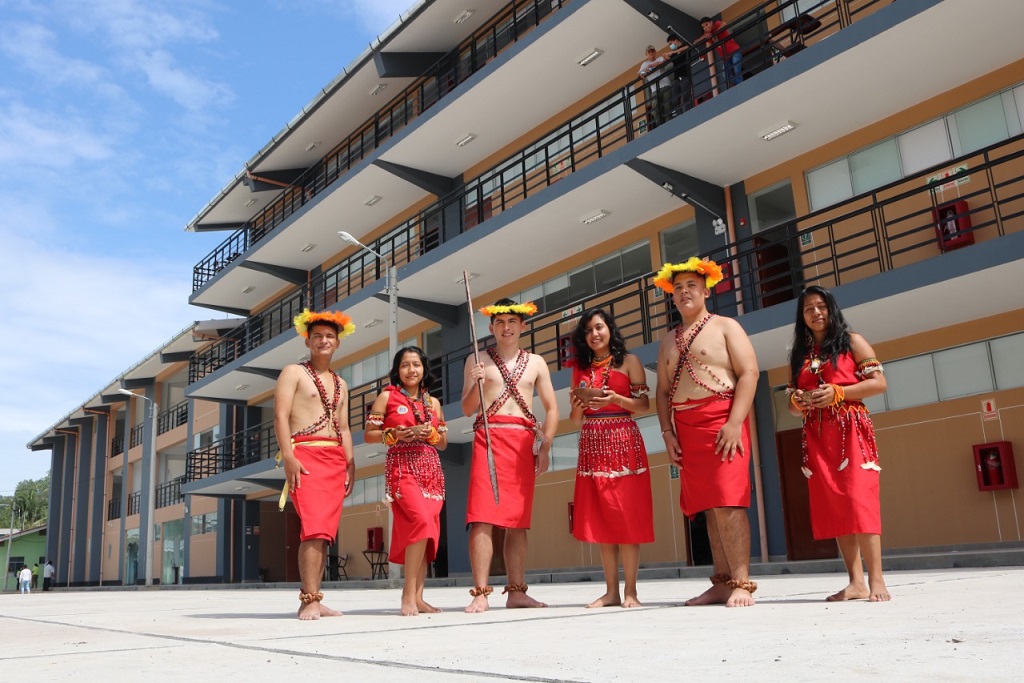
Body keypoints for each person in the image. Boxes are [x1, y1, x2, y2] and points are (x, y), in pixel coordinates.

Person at [654, 257, 759, 607]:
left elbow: (749, 373)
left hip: (722, 421)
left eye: (691, 287)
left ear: (705, 290)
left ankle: (742, 581)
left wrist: (733, 423)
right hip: (686, 429)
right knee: (708, 508)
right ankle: (721, 581)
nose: (684, 293)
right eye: (678, 288)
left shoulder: (726, 326)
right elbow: (663, 392)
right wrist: (667, 434)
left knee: (728, 503)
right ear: (672, 296)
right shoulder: (668, 340)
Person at [787, 286, 891, 602]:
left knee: (860, 500)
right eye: (808, 309)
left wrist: (840, 392)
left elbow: (879, 383)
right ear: (802, 317)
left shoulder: (853, 342)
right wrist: (799, 400)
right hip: (817, 434)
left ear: (831, 309)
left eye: (821, 306)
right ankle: (855, 582)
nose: (816, 313)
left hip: (851, 430)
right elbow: (792, 407)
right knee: (835, 504)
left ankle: (877, 581)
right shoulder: (799, 355)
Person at [461, 298, 558, 612]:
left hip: (521, 442)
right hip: (487, 438)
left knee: (518, 522)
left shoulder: (537, 363)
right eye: (500, 323)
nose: (506, 328)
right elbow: (466, 409)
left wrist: (545, 447)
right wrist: (476, 383)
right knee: (481, 519)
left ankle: (517, 591)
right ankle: (480, 592)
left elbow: (552, 408)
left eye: (512, 322)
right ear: (491, 328)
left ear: (522, 326)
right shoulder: (476, 360)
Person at [568, 308, 654, 608]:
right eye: (589, 330)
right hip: (592, 441)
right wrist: (580, 401)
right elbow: (576, 420)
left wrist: (615, 399)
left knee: (627, 516)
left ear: (610, 329)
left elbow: (644, 405)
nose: (595, 334)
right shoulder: (579, 369)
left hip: (624, 439)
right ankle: (611, 592)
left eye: (600, 327)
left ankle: (631, 591)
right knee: (604, 518)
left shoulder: (629, 361)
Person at [274, 308, 356, 620]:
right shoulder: (292, 372)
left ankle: (316, 597)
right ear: (308, 340)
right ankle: (308, 599)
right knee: (313, 528)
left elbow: (344, 428)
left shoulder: (341, 383)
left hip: (335, 459)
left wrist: (351, 464)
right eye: (318, 336)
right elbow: (280, 415)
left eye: (330, 337)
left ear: (338, 343)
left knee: (325, 534)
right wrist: (289, 456)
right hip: (305, 456)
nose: (324, 341)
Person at [365, 346, 448, 616]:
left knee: (426, 532)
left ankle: (419, 597)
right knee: (421, 522)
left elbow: (444, 442)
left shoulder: (433, 403)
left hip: (430, 469)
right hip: (402, 468)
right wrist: (394, 435)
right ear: (397, 370)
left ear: (424, 368)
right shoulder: (386, 397)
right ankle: (407, 595)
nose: (411, 370)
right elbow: (369, 434)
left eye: (416, 364)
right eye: (405, 365)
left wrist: (429, 434)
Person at [697, 16, 743, 86]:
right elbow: (694, 43)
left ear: (711, 22)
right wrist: (703, 37)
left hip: (734, 51)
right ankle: (740, 84)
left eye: (706, 24)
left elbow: (724, 24)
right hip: (725, 57)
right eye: (703, 27)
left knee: (737, 70)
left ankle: (741, 86)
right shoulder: (707, 35)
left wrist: (715, 34)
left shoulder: (717, 24)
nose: (705, 27)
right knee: (725, 76)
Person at [637, 45, 669, 127]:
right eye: (649, 52)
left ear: (655, 52)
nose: (651, 53)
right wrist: (644, 71)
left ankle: (669, 123)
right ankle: (660, 126)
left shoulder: (659, 59)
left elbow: (664, 61)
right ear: (646, 54)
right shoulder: (645, 64)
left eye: (652, 51)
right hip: (655, 89)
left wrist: (651, 66)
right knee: (655, 109)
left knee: (667, 105)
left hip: (665, 84)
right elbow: (640, 74)